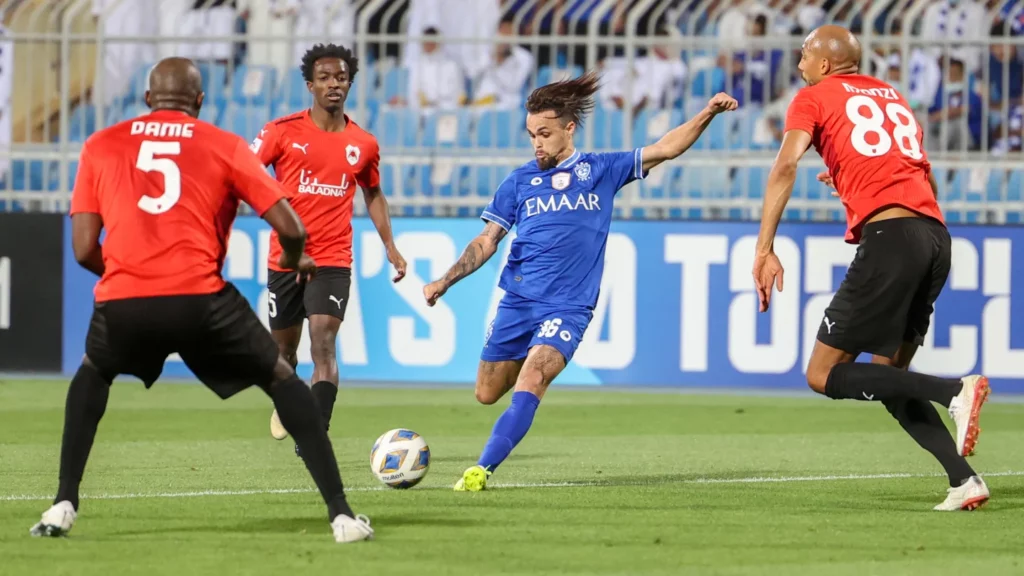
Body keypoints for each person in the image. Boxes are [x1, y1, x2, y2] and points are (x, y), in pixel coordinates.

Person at [30, 58, 373, 543]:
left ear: (147, 100)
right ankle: (341, 515)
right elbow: (291, 227)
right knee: (281, 377)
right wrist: (297, 260)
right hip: (200, 299)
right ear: (200, 102)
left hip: (125, 300)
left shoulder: (100, 145)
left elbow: (84, 247)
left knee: (93, 373)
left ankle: (62, 503)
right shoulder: (222, 144)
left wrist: (133, 276)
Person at [422, 71, 738, 491]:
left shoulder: (602, 169)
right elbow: (487, 239)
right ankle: (525, 382)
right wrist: (446, 280)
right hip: (518, 300)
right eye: (532, 134)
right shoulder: (518, 181)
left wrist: (708, 113)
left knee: (534, 375)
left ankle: (481, 470)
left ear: (569, 129)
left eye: (545, 133)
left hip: (569, 306)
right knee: (485, 392)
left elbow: (667, 147)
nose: (537, 142)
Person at [751, 25, 990, 512]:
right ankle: (964, 480)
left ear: (823, 64)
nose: (798, 64)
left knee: (823, 375)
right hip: (933, 237)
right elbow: (914, 171)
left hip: (891, 243)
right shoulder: (892, 96)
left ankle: (954, 390)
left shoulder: (813, 96)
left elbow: (784, 166)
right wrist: (848, 178)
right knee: (888, 375)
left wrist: (763, 247)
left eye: (803, 56)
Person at [252, 44, 406, 454]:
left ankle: (315, 433)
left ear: (350, 83)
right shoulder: (280, 132)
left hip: (332, 259)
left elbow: (373, 194)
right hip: (284, 258)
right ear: (310, 85)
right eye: (324, 78)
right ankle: (287, 400)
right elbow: (247, 174)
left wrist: (390, 246)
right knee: (283, 351)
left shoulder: (364, 143)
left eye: (340, 77)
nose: (333, 84)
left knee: (323, 340)